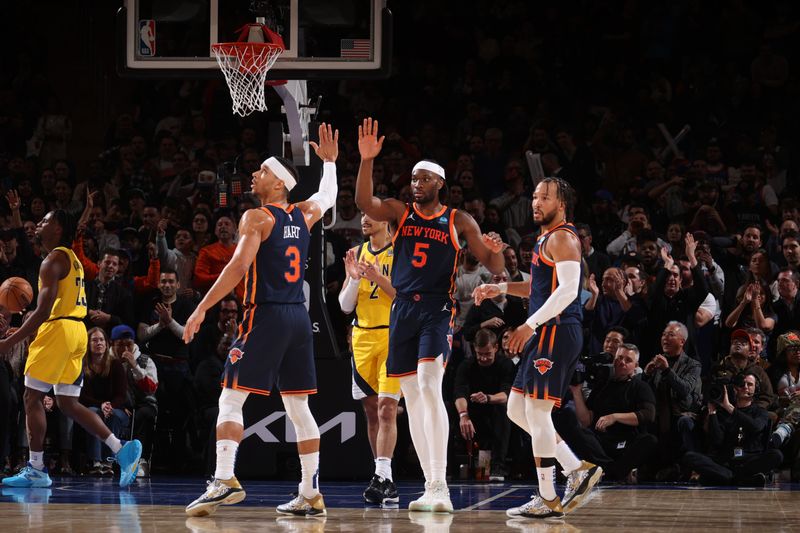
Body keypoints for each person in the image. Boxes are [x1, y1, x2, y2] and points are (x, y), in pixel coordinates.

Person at [184, 124, 339, 518]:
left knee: (231, 397)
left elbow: (238, 266)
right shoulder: (302, 216)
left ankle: (224, 479)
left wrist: (201, 307)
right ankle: (310, 492)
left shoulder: (257, 217)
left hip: (266, 315)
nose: (255, 174)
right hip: (298, 319)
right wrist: (331, 164)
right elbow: (327, 195)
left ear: (279, 185)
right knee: (299, 407)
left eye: (263, 171)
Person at [355, 118, 505, 513]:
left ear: (440, 184)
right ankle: (431, 485)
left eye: (423, 179)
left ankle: (441, 485)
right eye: (413, 179)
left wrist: (497, 247)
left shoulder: (458, 220)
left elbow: (495, 264)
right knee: (414, 401)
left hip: (437, 308)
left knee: (428, 384)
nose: (415, 184)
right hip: (401, 309)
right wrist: (366, 161)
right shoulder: (400, 213)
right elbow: (364, 204)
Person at [473, 177, 602, 520]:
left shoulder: (563, 237)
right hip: (547, 329)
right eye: (534, 196)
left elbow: (568, 292)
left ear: (561, 205)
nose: (536, 202)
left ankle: (548, 495)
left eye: (545, 197)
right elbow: (540, 288)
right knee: (517, 409)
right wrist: (498, 288)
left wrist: (529, 325)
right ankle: (577, 469)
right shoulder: (547, 239)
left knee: (538, 413)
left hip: (556, 330)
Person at [0, 210, 141, 488]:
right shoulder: (72, 258)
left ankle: (37, 469)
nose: (39, 222)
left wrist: (8, 342)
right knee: (67, 403)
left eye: (46, 220)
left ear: (59, 228)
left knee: (31, 398)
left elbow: (41, 312)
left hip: (59, 330)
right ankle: (121, 450)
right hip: (78, 331)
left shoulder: (52, 260)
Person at [337, 213, 400, 505]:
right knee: (372, 411)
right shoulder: (357, 253)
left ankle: (382, 475)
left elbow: (403, 295)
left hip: (391, 336)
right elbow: (345, 306)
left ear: (386, 222)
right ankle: (383, 478)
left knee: (388, 409)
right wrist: (352, 279)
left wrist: (378, 278)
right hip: (362, 338)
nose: (365, 219)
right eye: (363, 215)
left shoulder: (398, 251)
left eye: (372, 215)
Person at [682, 373, 783, 486]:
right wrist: (712, 412)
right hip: (727, 461)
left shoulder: (760, 412)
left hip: (749, 461)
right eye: (742, 384)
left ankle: (727, 478)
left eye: (750, 384)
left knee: (776, 455)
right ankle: (740, 479)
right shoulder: (723, 413)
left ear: (756, 389)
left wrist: (729, 408)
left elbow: (755, 427)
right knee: (690, 457)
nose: (745, 387)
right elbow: (717, 441)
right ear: (735, 388)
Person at [454, 329, 515, 481]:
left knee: (502, 411)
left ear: (495, 348)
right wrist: (464, 415)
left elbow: (507, 395)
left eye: (487, 353)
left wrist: (488, 398)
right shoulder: (466, 366)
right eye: (479, 353)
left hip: (496, 408)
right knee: (450, 411)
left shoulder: (505, 365)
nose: (483, 358)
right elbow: (459, 393)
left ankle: (497, 467)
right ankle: (453, 468)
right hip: (473, 411)